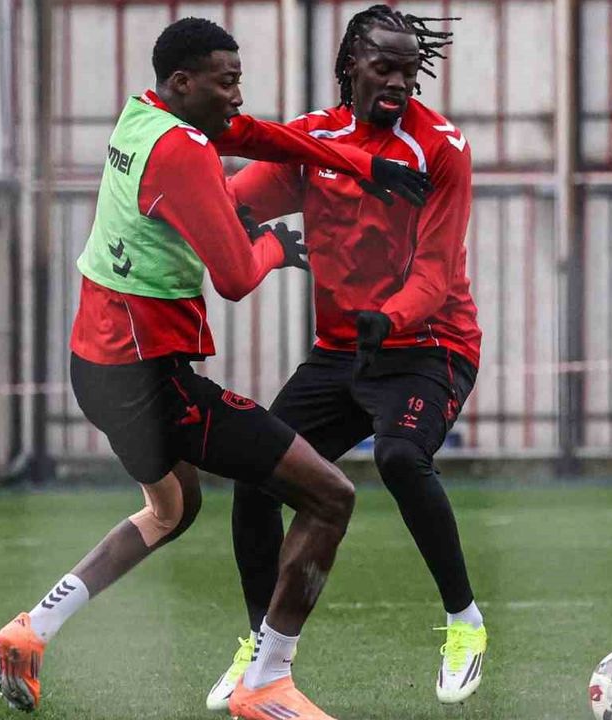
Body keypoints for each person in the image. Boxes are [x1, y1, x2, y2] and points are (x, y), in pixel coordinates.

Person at [0, 17, 430, 720]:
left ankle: (31, 629)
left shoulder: (141, 118)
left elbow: (260, 136)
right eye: (227, 82)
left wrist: (361, 164)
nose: (237, 96)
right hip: (152, 383)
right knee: (330, 496)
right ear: (183, 82)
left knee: (172, 510)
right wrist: (276, 247)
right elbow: (234, 276)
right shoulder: (185, 152)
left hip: (96, 367)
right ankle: (266, 682)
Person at [205, 5, 486, 710]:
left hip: (430, 346)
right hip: (340, 352)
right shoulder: (312, 140)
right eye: (383, 68)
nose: (397, 83)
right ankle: (261, 652)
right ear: (350, 65)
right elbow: (234, 203)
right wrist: (190, 208)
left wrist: (387, 318)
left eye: (408, 72)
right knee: (255, 475)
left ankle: (465, 622)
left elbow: (437, 273)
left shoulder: (441, 148)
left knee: (399, 457)